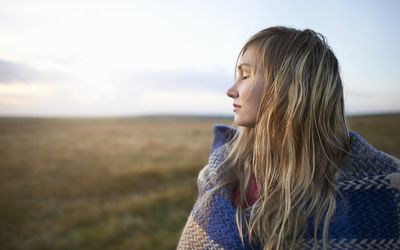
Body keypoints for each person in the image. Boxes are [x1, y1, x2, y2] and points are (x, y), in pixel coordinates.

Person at [177, 26, 400, 250]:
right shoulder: (223, 175)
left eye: (245, 75)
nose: (231, 90)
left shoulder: (385, 190)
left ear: (290, 87)